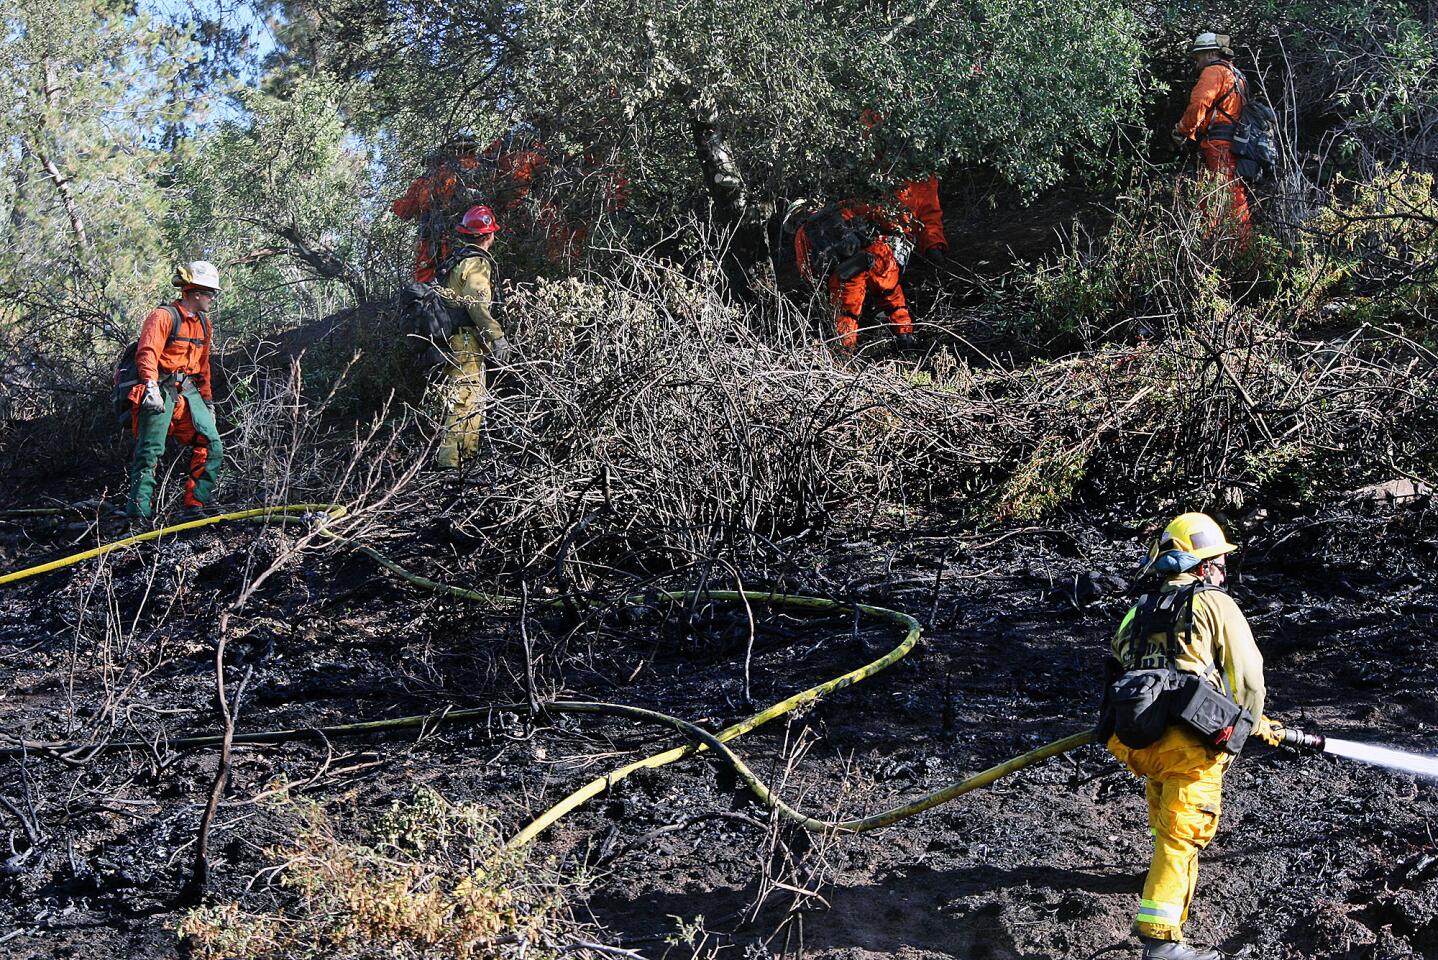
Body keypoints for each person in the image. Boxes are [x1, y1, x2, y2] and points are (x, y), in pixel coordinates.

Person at [1105, 512, 1266, 960]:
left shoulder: (1137, 613)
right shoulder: (1215, 604)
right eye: (1216, 561)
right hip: (1190, 746)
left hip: (1136, 741)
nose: (1221, 570)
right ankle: (1161, 944)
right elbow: (1249, 677)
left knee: (1164, 798)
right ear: (1199, 566)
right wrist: (1242, 728)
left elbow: (1119, 668)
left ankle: (1159, 873)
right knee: (1183, 831)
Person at [126, 261, 223, 522]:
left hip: (189, 393)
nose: (213, 299)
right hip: (160, 388)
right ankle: (138, 516)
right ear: (196, 292)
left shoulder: (204, 324)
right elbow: (146, 353)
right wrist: (150, 387)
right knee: (149, 452)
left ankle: (195, 506)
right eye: (210, 293)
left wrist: (208, 403)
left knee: (212, 444)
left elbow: (203, 367)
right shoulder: (163, 317)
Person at [435, 204, 512, 468]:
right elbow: (476, 305)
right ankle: (448, 463)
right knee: (464, 399)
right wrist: (497, 337)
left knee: (473, 396)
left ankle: (467, 457)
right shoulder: (477, 264)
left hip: (456, 338)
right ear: (489, 235)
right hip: (465, 340)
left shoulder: (458, 260)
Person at [788, 201, 915, 352]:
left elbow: (806, 271)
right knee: (894, 302)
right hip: (877, 255)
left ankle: (845, 358)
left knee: (847, 316)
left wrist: (824, 285)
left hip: (847, 271)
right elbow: (877, 213)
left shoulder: (802, 233)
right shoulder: (840, 207)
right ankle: (906, 341)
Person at [1172, 32, 1252, 245]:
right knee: (1218, 196)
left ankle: (1239, 249)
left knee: (1226, 197)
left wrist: (1182, 130)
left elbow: (1199, 104)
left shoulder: (1214, 72)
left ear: (1210, 53)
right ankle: (1216, 248)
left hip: (1219, 146)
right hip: (1233, 144)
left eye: (1198, 56)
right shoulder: (1237, 75)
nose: (1196, 62)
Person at [392, 137, 483, 283]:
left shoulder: (431, 178)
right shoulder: (482, 169)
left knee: (427, 276)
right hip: (477, 234)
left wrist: (395, 205)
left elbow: (406, 211)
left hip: (436, 237)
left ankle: (428, 302)